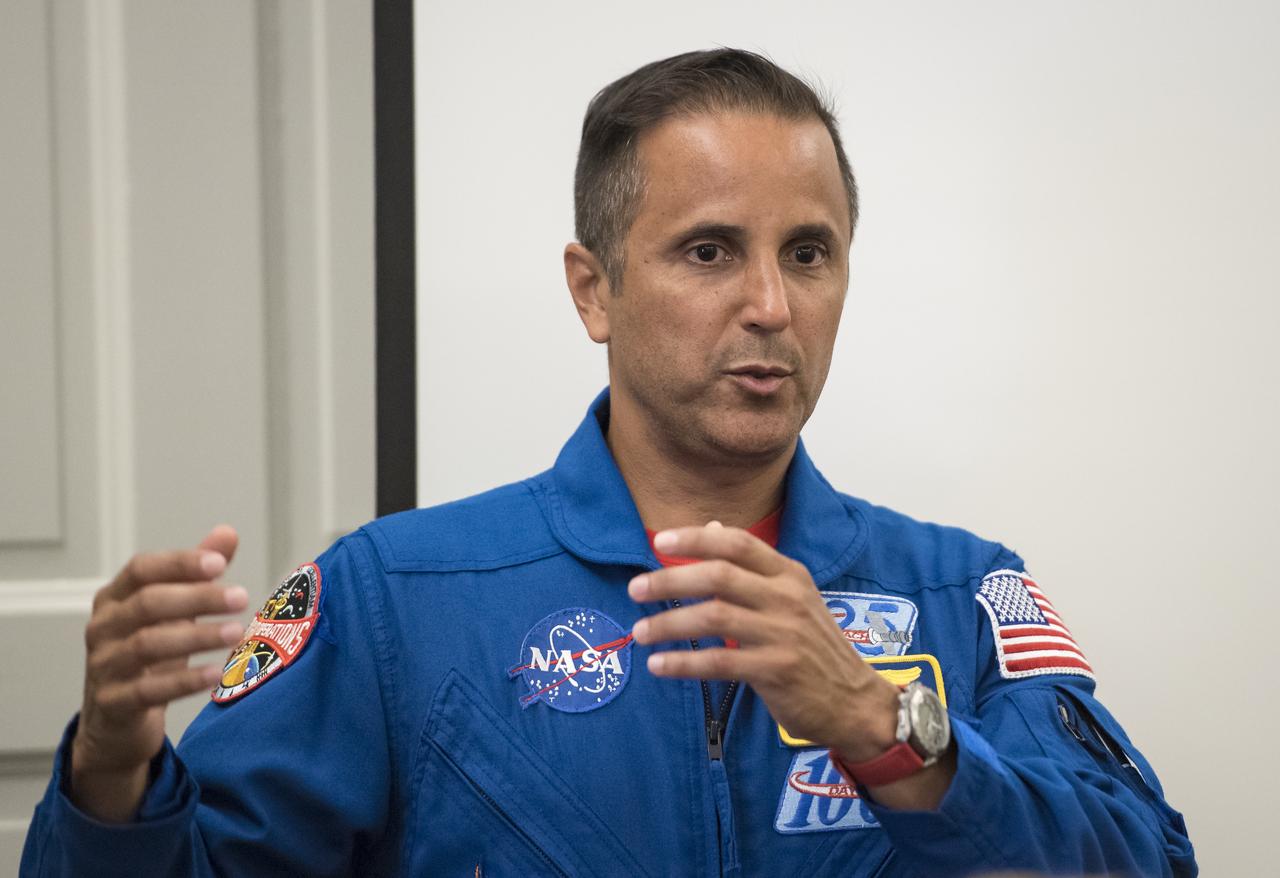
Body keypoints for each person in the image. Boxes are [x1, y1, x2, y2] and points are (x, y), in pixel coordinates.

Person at [22, 48, 1196, 877]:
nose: (770, 305)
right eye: (707, 250)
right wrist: (116, 776)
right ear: (593, 287)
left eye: (808, 251)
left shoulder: (963, 591)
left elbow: (1139, 860)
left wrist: (879, 717)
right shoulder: (396, 596)